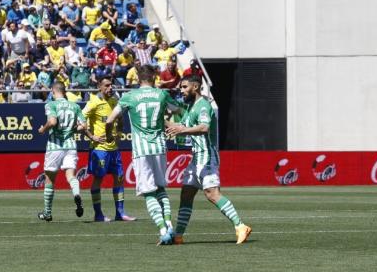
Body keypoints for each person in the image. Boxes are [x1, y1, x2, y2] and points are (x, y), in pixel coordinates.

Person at [166, 75, 252, 245]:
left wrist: (181, 131)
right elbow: (180, 127)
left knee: (212, 194)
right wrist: (161, 120)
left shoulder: (203, 105)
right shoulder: (191, 107)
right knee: (186, 194)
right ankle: (178, 236)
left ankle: (241, 226)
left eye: (184, 87)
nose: (181, 91)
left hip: (207, 156)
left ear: (195, 87)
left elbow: (204, 128)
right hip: (197, 157)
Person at [105, 65, 181, 245]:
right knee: (161, 188)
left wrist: (109, 134)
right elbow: (177, 109)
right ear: (154, 78)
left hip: (141, 150)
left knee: (148, 192)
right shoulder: (161, 94)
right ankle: (170, 224)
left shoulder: (129, 97)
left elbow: (110, 119)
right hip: (160, 147)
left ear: (139, 79)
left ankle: (163, 230)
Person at [83, 77, 136, 222]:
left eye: (111, 85)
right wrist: (91, 136)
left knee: (119, 178)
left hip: (114, 149)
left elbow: (120, 119)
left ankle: (120, 213)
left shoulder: (114, 101)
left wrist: (119, 132)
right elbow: (80, 118)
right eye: (106, 85)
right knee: (98, 178)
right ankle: (98, 214)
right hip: (99, 149)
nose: (110, 88)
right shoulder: (93, 101)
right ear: (100, 86)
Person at [37, 81, 87, 222]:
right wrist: (71, 129)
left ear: (53, 91)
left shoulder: (51, 104)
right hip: (71, 145)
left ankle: (47, 213)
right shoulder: (75, 106)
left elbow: (52, 122)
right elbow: (83, 126)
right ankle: (76, 194)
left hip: (55, 145)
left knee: (50, 179)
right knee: (71, 175)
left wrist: (43, 129)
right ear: (64, 91)